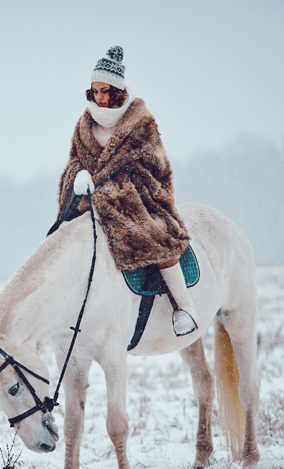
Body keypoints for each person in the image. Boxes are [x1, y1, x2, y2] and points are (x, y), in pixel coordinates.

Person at [53, 45, 198, 336]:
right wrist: (78, 176)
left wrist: (111, 188)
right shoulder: (84, 124)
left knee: (155, 235)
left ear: (118, 91)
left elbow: (155, 170)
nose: (99, 97)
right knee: (59, 239)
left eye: (105, 91)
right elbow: (73, 162)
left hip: (140, 201)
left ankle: (185, 308)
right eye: (94, 90)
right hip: (91, 201)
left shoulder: (141, 124)